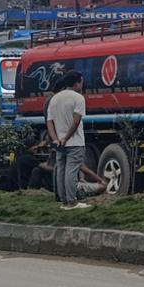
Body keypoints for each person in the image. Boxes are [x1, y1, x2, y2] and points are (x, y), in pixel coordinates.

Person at [45, 70, 91, 209]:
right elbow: (76, 121)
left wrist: (56, 139)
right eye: (81, 81)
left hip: (59, 142)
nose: (82, 84)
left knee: (61, 170)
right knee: (72, 171)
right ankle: (72, 201)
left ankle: (63, 201)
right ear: (77, 82)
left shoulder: (55, 99)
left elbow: (50, 122)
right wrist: (66, 138)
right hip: (74, 142)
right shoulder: (78, 98)